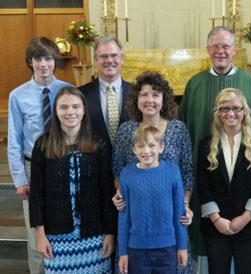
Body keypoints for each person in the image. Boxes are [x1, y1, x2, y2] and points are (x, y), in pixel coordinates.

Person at [179, 25, 251, 260]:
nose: (220, 51)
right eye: (215, 46)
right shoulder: (194, 84)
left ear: (234, 49)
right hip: (206, 183)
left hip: (245, 187)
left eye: (226, 46)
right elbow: (185, 129)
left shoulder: (250, 82)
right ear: (207, 49)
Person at [112, 71, 195, 273]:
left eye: (156, 95)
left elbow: (187, 172)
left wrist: (184, 205)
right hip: (138, 222)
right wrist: (120, 196)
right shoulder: (126, 130)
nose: (150, 100)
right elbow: (117, 169)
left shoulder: (178, 129)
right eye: (144, 95)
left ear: (164, 99)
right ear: (136, 99)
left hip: (170, 222)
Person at [29, 86, 117, 273]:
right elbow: (37, 194)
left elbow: (107, 191)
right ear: (56, 111)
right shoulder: (43, 145)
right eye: (64, 107)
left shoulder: (97, 143)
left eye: (76, 106)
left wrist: (110, 233)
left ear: (84, 110)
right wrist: (40, 235)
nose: (70, 112)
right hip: (56, 236)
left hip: (95, 235)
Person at [7, 37, 72, 274]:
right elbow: (14, 141)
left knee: (63, 223)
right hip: (33, 167)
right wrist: (20, 180)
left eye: (48, 58)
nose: (43, 64)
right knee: (36, 229)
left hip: (64, 164)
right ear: (30, 62)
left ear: (55, 61)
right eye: (38, 59)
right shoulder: (17, 95)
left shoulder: (68, 91)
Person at [197, 88, 251, 274]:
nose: (231, 113)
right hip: (216, 227)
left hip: (249, 227)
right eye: (225, 108)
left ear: (244, 111)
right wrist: (216, 219)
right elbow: (203, 186)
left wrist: (245, 217)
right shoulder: (206, 145)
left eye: (236, 108)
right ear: (218, 113)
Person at [118, 125, 188, 274]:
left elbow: (179, 213)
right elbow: (124, 215)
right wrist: (123, 252)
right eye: (140, 146)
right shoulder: (126, 174)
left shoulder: (172, 171)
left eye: (151, 145)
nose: (146, 151)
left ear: (161, 147)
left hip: (167, 248)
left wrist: (182, 246)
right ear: (134, 149)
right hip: (136, 249)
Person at [79, 35, 130, 148]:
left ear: (122, 59)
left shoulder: (137, 93)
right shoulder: (81, 94)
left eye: (114, 55)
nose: (109, 60)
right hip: (95, 162)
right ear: (96, 60)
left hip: (130, 161)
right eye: (104, 56)